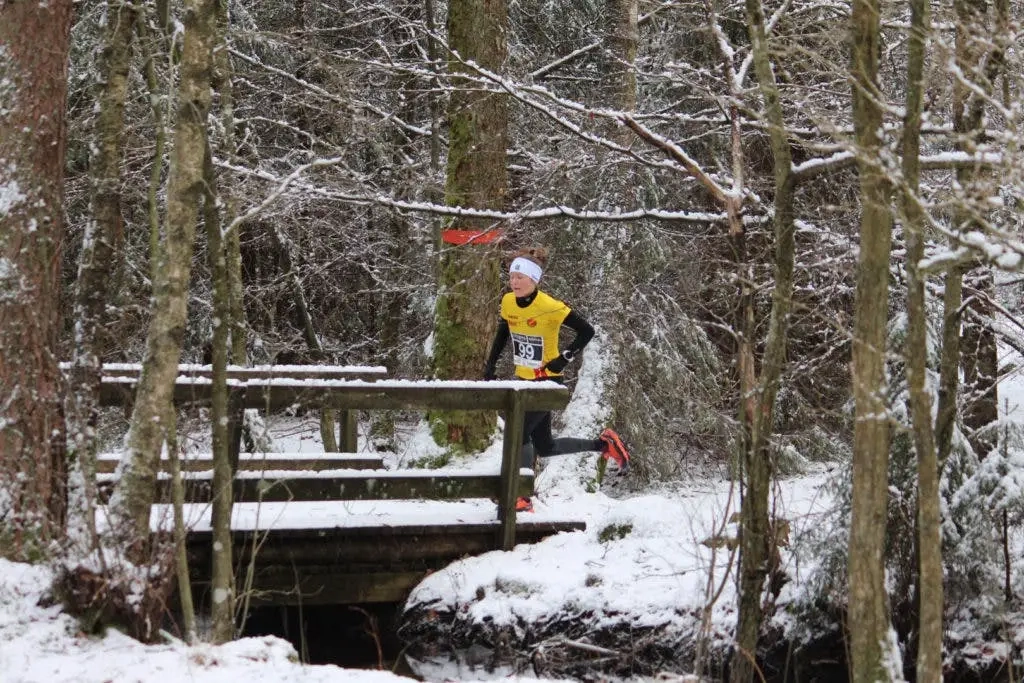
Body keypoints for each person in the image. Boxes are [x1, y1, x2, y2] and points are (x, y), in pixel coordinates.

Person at [483, 247, 630, 513]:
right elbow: (503, 332)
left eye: (520, 277)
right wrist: (491, 364)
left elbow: (587, 331)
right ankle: (604, 444)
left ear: (534, 280)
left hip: (548, 382)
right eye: (512, 276)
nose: (514, 282)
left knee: (519, 433)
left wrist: (565, 357)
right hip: (523, 380)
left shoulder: (550, 306)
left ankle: (521, 496)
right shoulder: (507, 302)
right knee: (545, 446)